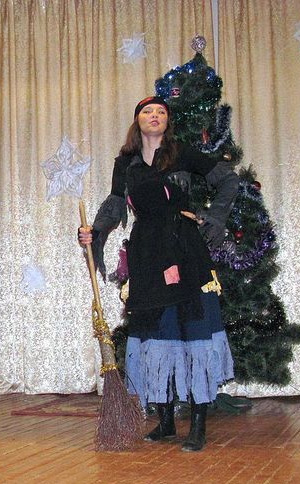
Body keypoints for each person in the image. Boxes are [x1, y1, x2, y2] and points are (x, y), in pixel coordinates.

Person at [78, 96, 236, 452]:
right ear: (137, 120)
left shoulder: (183, 154)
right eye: (148, 112)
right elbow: (115, 204)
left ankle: (197, 425)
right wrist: (95, 231)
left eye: (161, 112)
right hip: (147, 252)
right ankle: (165, 422)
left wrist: (215, 217)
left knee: (193, 329)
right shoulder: (125, 163)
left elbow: (228, 180)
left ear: (168, 120)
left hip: (184, 248)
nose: (154, 116)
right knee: (154, 332)